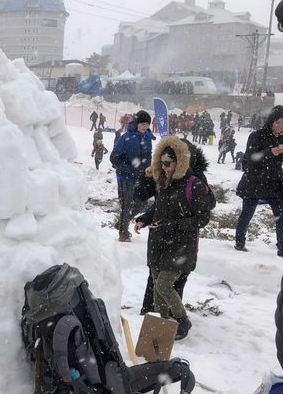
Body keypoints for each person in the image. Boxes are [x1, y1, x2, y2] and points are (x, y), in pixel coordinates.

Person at [134, 137, 215, 339]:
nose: (164, 167)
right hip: (158, 242)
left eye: (168, 163)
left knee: (163, 285)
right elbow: (157, 207)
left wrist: (176, 226)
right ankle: (163, 326)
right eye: (161, 163)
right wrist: (144, 219)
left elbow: (204, 216)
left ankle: (181, 320)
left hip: (180, 245)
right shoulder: (163, 181)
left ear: (180, 161)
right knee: (156, 288)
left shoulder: (193, 183)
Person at [233, 106, 283, 256]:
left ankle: (282, 247)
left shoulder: (281, 138)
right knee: (247, 213)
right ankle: (239, 243)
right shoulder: (257, 136)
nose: (281, 126)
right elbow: (249, 160)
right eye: (278, 122)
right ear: (271, 121)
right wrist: (269, 153)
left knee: (281, 216)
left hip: (274, 183)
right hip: (254, 182)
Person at [110, 110, 155, 242]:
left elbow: (147, 157)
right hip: (125, 176)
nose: (144, 126)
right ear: (136, 123)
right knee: (127, 203)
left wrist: (148, 169)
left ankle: (122, 223)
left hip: (141, 177)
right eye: (142, 123)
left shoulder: (147, 138)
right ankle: (123, 233)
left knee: (142, 203)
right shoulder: (126, 138)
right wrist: (128, 169)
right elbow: (114, 158)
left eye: (147, 124)